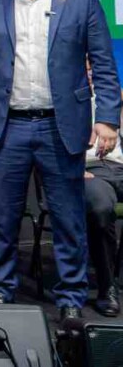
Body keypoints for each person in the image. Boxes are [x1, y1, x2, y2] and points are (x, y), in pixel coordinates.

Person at [0, 0, 121, 321]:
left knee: (69, 218)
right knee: (3, 217)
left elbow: (104, 65)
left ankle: (70, 297)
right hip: (7, 127)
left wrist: (107, 119)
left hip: (61, 126)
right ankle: (2, 290)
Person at [83, 83, 123, 317]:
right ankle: (107, 288)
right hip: (89, 170)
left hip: (120, 166)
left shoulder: (114, 100)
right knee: (101, 208)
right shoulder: (59, 100)